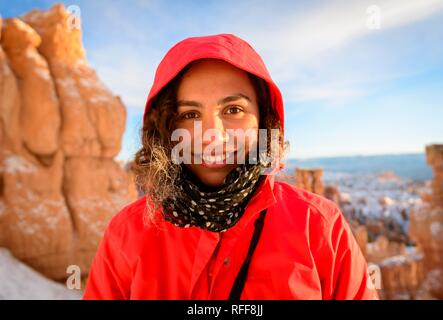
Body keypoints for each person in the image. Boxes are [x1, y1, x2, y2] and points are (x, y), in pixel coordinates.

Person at [83, 34, 379, 300]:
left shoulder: (319, 227)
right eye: (190, 114)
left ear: (264, 120)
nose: (214, 134)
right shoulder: (128, 233)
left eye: (233, 110)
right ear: (164, 128)